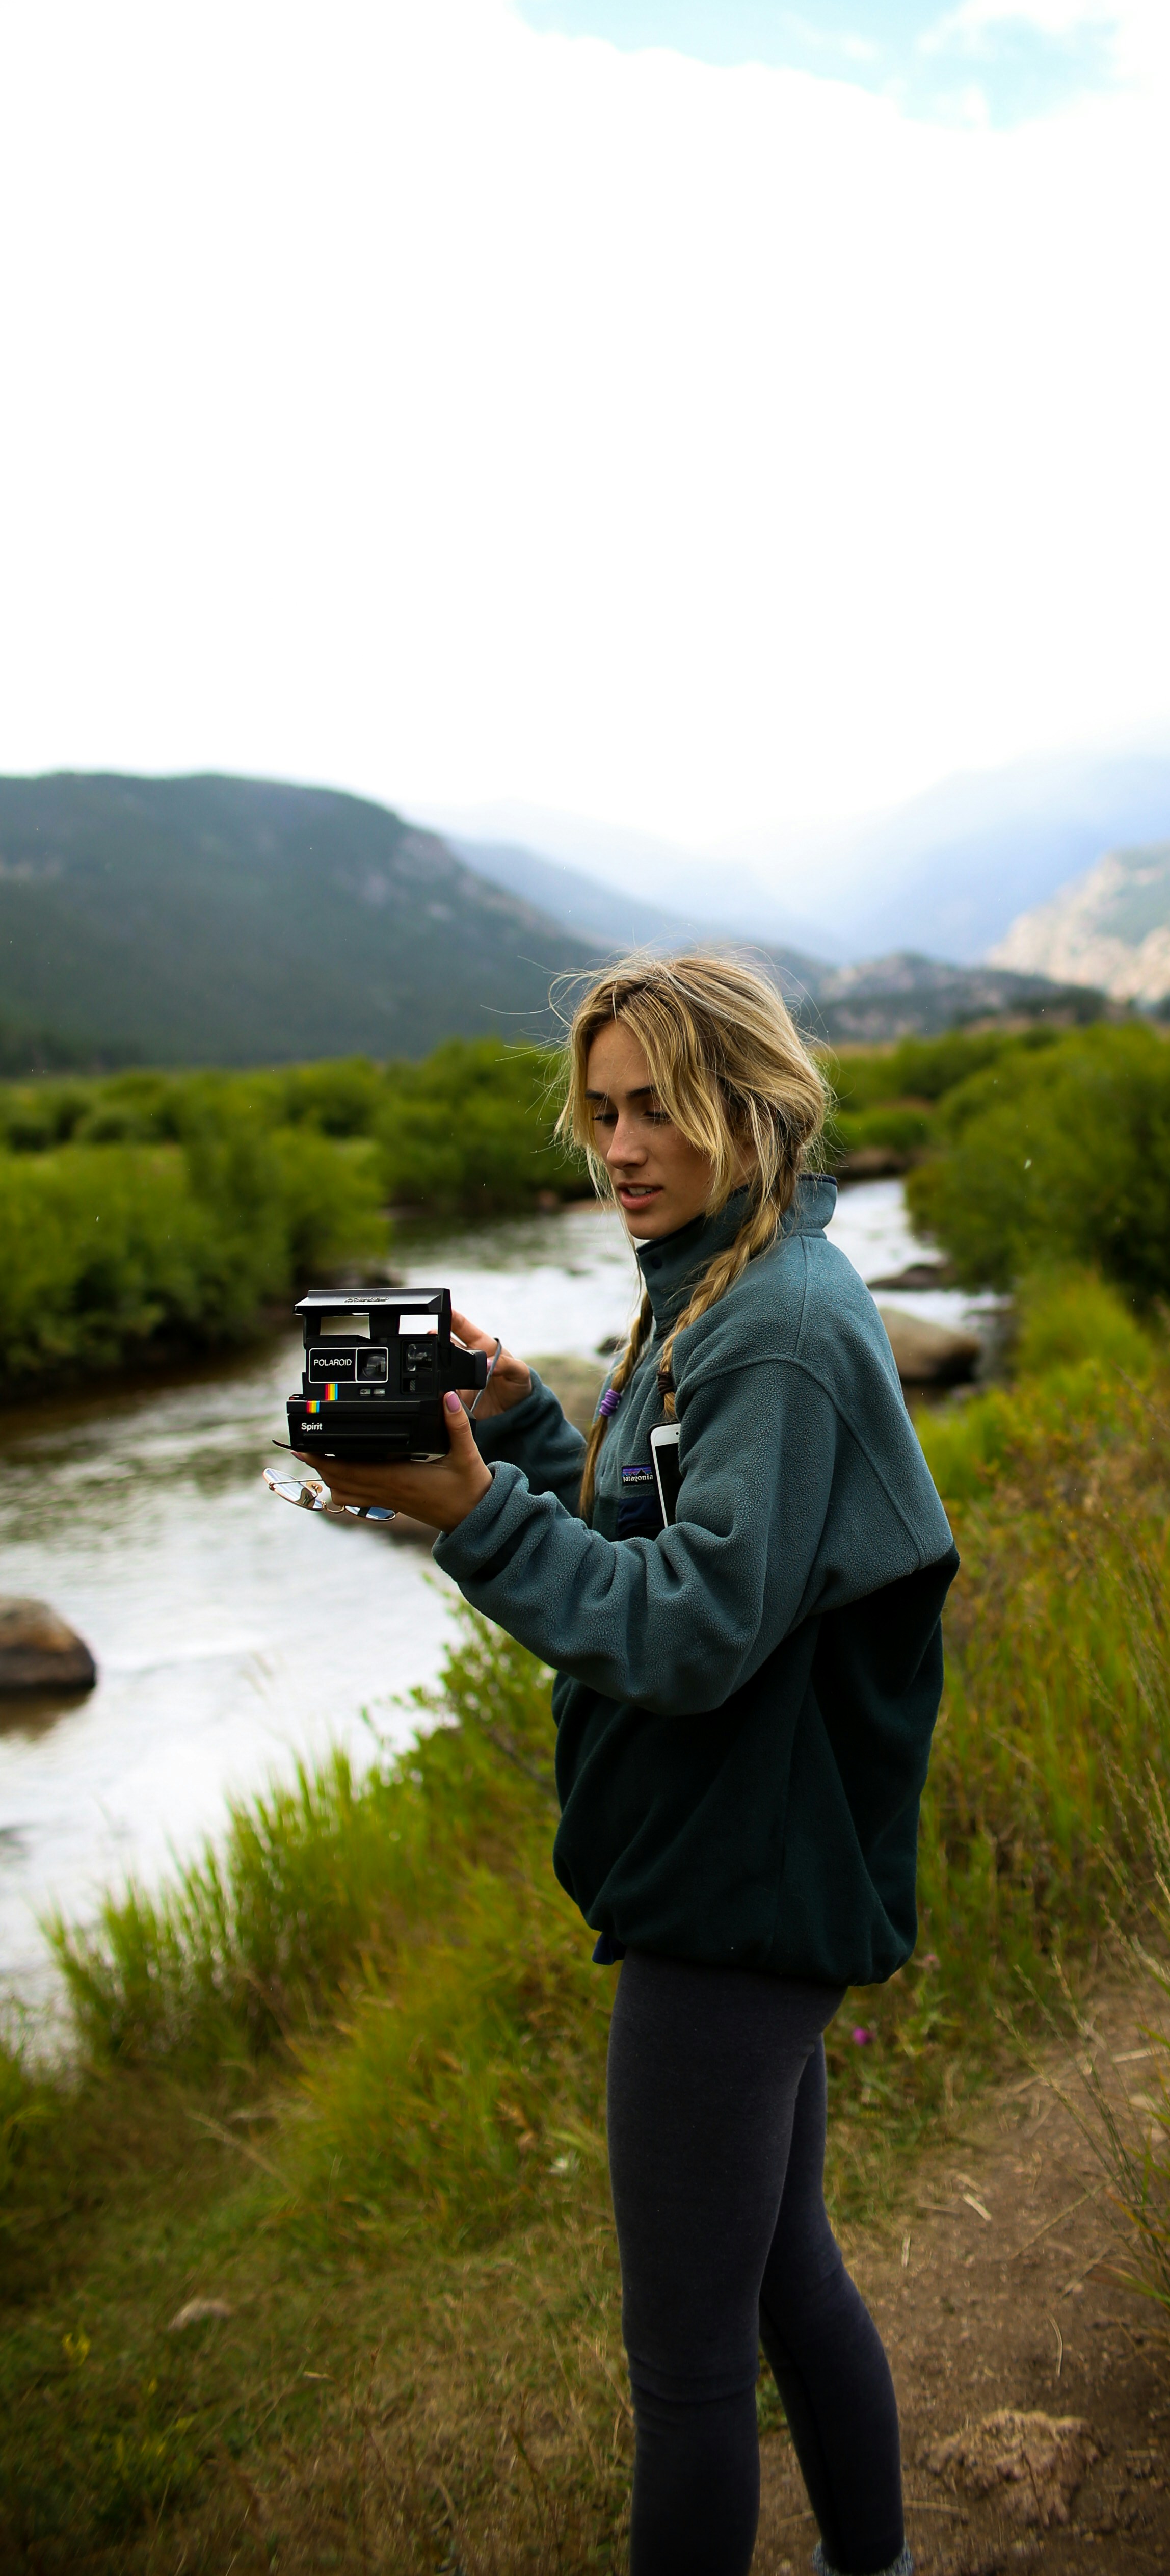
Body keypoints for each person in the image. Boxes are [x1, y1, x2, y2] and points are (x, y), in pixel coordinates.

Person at [307, 953, 960, 2576]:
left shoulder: (780, 1331)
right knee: (781, 2270)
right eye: (601, 1110)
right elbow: (666, 1536)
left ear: (750, 1098)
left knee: (684, 2369)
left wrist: (466, 1516)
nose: (624, 1144)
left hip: (738, 1882)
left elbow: (689, 1633)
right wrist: (527, 1431)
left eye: (659, 1103)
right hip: (747, 1853)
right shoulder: (722, 1283)